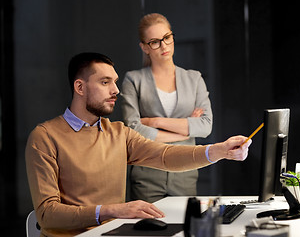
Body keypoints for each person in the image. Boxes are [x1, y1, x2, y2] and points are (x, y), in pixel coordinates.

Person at [25, 52, 251, 237]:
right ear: (80, 87)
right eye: (105, 82)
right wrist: (112, 210)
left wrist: (219, 150)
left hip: (112, 233)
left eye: (114, 81)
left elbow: (165, 156)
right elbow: (47, 214)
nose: (116, 90)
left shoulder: (118, 132)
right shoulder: (45, 137)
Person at [120, 13, 213, 203]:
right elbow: (132, 129)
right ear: (145, 47)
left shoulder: (194, 78)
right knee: (146, 231)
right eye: (154, 42)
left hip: (185, 173)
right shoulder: (133, 79)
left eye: (167, 38)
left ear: (172, 37)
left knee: (186, 229)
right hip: (147, 176)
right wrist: (184, 131)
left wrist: (155, 122)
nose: (163, 46)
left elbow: (205, 126)